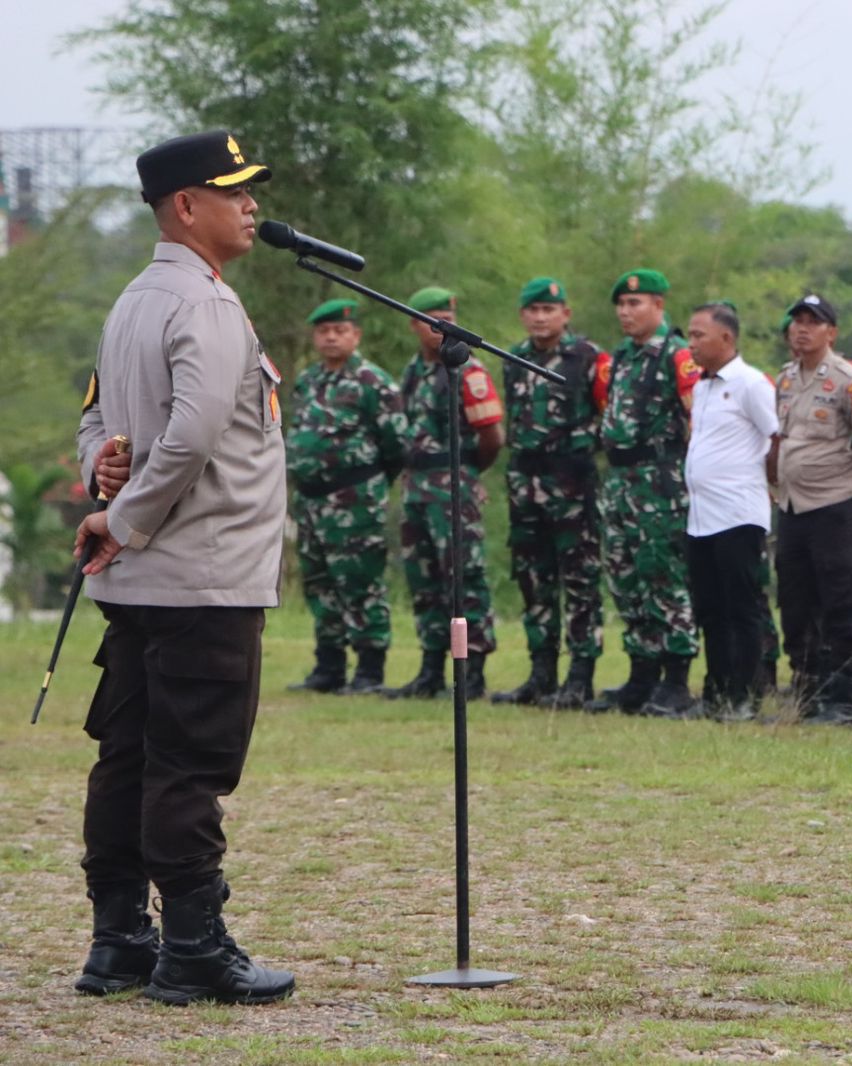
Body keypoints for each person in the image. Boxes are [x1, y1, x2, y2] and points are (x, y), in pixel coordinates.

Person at [71, 129, 294, 1004]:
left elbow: (94, 421)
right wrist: (122, 514)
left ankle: (120, 938)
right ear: (186, 207)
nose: (252, 205)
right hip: (202, 576)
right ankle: (195, 947)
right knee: (188, 766)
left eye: (252, 190)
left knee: (128, 757)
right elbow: (196, 435)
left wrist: (104, 479)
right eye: (234, 191)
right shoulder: (202, 305)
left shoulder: (134, 298)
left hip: (141, 583)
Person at [491, 277, 610, 709]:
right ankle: (541, 675)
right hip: (526, 486)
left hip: (572, 486)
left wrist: (579, 443)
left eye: (549, 309)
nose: (541, 317)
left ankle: (580, 677)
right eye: (533, 310)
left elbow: (610, 417)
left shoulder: (588, 358)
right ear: (523, 315)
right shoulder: (514, 357)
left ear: (566, 314)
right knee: (533, 582)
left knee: (580, 582)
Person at [587, 268, 702, 716]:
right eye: (621, 304)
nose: (626, 311)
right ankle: (642, 672)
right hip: (620, 483)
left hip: (659, 481)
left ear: (658, 305)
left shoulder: (677, 356)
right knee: (625, 576)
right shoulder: (622, 358)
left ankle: (675, 679)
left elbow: (697, 420)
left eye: (636, 303)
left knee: (663, 577)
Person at [285, 298, 406, 696]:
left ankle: (370, 671)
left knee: (361, 584)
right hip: (311, 501)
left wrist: (368, 487)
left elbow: (396, 445)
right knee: (320, 585)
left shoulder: (374, 382)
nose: (332, 337)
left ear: (356, 336)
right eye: (324, 331)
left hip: (354, 501)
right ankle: (329, 668)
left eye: (340, 330)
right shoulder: (308, 380)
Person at [386, 287, 503, 700]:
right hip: (417, 489)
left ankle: (473, 671)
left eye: (447, 316)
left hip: (453, 486)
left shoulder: (468, 369)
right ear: (415, 325)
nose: (442, 326)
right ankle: (431, 667)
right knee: (425, 579)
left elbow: (492, 436)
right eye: (432, 318)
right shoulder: (414, 371)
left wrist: (466, 474)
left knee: (463, 578)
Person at [771, 294, 852, 722]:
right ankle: (806, 688)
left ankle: (843, 695)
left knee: (841, 600)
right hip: (792, 506)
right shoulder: (786, 379)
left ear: (832, 331)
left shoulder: (848, 378)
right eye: (797, 321)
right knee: (795, 601)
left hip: (836, 504)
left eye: (813, 322)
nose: (802, 329)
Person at [681, 304, 781, 719]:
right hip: (701, 517)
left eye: (698, 335)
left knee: (741, 607)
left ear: (726, 338)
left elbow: (776, 436)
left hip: (738, 513)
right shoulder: (702, 387)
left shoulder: (750, 383)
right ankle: (717, 691)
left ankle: (745, 694)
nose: (691, 344)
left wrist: (770, 485)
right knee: (709, 607)